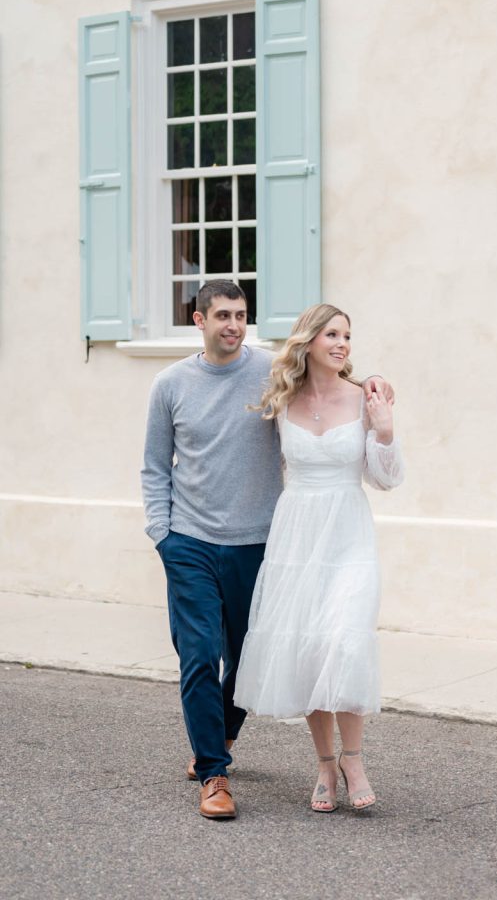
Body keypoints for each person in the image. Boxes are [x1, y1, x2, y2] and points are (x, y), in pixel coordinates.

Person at [141, 281, 392, 820]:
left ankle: (222, 737)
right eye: (223, 315)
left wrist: (370, 384)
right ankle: (213, 772)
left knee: (246, 655)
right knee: (200, 654)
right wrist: (161, 533)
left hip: (260, 539)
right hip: (189, 540)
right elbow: (154, 465)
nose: (234, 324)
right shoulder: (170, 384)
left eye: (242, 315)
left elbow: (328, 367)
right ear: (198, 320)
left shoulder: (272, 374)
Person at [234, 303, 404, 813]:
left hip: (348, 533)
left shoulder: (365, 398)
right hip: (297, 536)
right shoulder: (282, 396)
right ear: (307, 341)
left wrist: (386, 429)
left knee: (345, 641)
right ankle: (325, 766)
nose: (342, 344)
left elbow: (387, 478)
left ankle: (354, 758)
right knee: (308, 647)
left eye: (347, 336)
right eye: (331, 334)